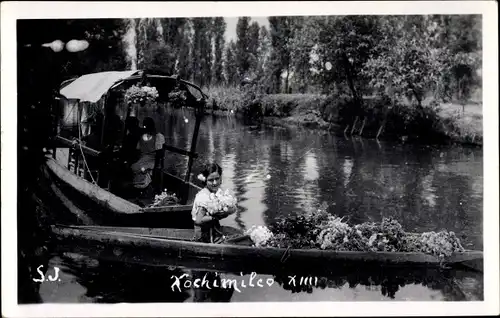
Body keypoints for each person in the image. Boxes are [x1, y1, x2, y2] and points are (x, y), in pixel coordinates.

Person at [191, 163, 236, 243]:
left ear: (220, 178)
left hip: (214, 229)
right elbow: (198, 220)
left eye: (217, 179)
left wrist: (226, 211)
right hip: (204, 235)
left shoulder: (217, 192)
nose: (215, 183)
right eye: (211, 180)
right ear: (205, 180)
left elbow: (232, 208)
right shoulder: (203, 197)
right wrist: (215, 217)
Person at [130, 117, 165, 190]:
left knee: (140, 168)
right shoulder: (142, 137)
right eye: (145, 126)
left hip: (152, 161)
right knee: (134, 167)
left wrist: (156, 167)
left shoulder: (158, 136)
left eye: (147, 125)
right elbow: (138, 151)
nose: (146, 127)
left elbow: (159, 154)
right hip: (143, 159)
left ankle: (145, 183)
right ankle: (139, 184)